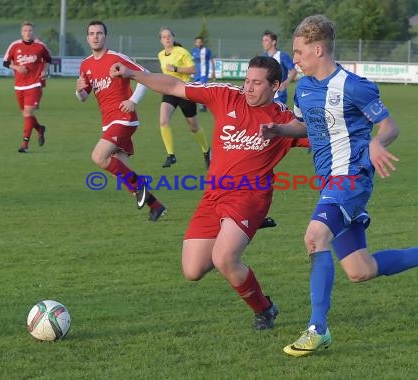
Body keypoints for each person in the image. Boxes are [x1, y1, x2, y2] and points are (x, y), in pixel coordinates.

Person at [259, 14, 418, 357]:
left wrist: (377, 142)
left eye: (298, 51)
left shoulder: (355, 85)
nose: (293, 58)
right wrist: (279, 130)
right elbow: (307, 126)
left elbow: (389, 126)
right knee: (361, 270)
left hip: (352, 179)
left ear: (317, 49)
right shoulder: (305, 88)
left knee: (315, 237)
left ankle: (318, 328)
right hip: (330, 181)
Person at [110, 56, 308, 330]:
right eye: (247, 81)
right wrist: (132, 73)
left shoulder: (284, 121)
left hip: (250, 197)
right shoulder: (226, 96)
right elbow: (175, 86)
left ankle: (264, 310)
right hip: (213, 196)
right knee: (192, 271)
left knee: (224, 258)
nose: (248, 88)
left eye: (257, 83)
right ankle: (239, 231)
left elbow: (321, 135)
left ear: (275, 85)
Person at [76, 21, 166, 221]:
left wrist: (133, 100)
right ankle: (155, 205)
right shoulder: (86, 65)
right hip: (108, 121)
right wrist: (79, 88)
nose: (95, 36)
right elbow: (83, 97)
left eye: (99, 33)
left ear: (105, 36)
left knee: (99, 157)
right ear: (87, 37)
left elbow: (146, 75)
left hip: (123, 119)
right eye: (91, 33)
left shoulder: (116, 58)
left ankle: (141, 185)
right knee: (123, 171)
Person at [157, 27, 211, 169]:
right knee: (163, 121)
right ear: (161, 40)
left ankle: (206, 151)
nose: (167, 38)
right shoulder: (161, 55)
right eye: (164, 37)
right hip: (169, 91)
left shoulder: (182, 52)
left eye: (169, 36)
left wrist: (175, 69)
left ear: (173, 38)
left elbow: (193, 69)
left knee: (193, 127)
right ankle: (171, 155)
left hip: (184, 90)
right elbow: (164, 74)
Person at [3, 21, 52, 153]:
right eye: (25, 30)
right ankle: (40, 129)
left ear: (33, 32)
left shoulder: (40, 46)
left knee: (28, 113)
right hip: (19, 86)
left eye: (30, 30)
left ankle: (25, 144)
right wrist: (17, 67)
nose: (27, 33)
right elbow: (5, 62)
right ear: (21, 32)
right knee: (26, 114)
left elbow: (49, 59)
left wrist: (44, 71)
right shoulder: (15, 46)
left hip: (35, 84)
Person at [261, 30, 297, 105]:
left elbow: (293, 71)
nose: (263, 42)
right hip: (265, 94)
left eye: (266, 40)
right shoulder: (263, 57)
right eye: (263, 40)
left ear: (274, 42)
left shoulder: (282, 56)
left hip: (279, 95)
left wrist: (285, 83)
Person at [191, 36, 215, 112]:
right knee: (196, 89)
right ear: (195, 43)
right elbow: (191, 62)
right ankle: (202, 104)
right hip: (196, 73)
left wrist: (213, 72)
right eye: (197, 42)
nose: (199, 43)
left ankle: (203, 106)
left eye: (200, 42)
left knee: (202, 89)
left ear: (202, 43)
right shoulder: (193, 51)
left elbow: (211, 61)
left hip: (204, 73)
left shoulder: (207, 50)